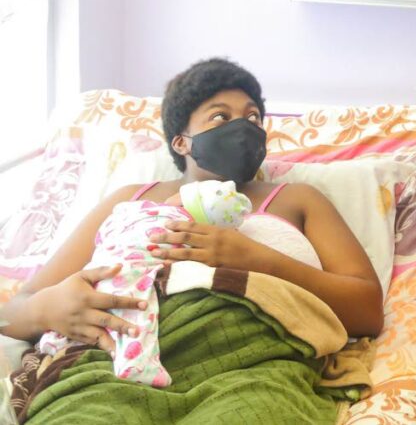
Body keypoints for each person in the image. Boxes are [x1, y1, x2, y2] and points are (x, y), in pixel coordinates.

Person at [1, 58, 383, 418]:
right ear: (181, 141)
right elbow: (16, 311)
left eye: (253, 117)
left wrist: (254, 260)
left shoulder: (295, 199)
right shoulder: (129, 199)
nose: (244, 126)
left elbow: (366, 310)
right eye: (221, 116)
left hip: (252, 366)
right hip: (113, 364)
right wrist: (52, 306)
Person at [37, 180, 253, 386]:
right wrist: (44, 309)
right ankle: (138, 365)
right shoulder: (136, 202)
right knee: (136, 316)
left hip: (102, 273)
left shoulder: (127, 209)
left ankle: (54, 340)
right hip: (132, 274)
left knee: (96, 313)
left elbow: (103, 237)